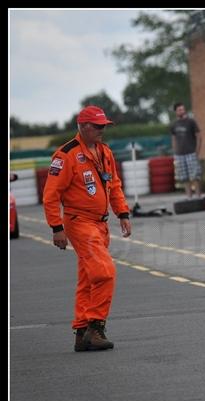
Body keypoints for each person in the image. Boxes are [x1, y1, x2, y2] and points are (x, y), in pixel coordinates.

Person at [42, 106, 132, 352]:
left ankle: (81, 332)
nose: (103, 130)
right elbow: (51, 195)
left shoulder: (105, 152)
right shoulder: (66, 155)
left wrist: (122, 213)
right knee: (104, 272)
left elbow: (114, 184)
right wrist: (56, 227)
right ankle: (96, 326)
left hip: (100, 224)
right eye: (98, 126)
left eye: (105, 126)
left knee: (88, 278)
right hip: (79, 222)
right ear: (83, 126)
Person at [171, 102, 203, 198]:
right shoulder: (174, 124)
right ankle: (189, 197)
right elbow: (173, 138)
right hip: (179, 154)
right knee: (184, 178)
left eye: (183, 109)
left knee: (195, 176)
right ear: (176, 111)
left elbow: (199, 136)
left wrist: (197, 151)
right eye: (180, 110)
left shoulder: (191, 122)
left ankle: (198, 197)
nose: (182, 111)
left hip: (191, 153)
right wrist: (175, 151)